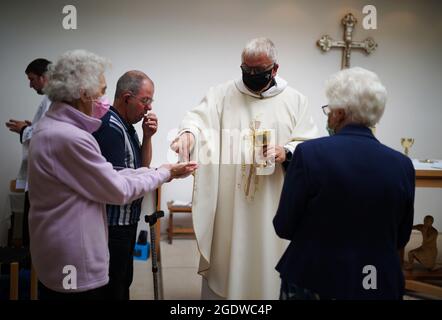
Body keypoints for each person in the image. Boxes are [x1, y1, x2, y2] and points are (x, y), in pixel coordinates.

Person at [28, 50, 197, 300]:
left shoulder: (55, 128)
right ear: (83, 93)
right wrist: (164, 172)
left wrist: (159, 169)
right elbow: (117, 188)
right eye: (101, 91)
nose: (103, 100)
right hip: (74, 257)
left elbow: (116, 173)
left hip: (64, 252)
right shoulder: (70, 136)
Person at [170, 37, 318, 299]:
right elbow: (197, 119)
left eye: (258, 71)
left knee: (268, 268)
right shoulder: (222, 94)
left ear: (274, 69)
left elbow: (309, 144)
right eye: (245, 70)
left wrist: (286, 152)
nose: (251, 75)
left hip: (273, 201)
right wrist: (188, 135)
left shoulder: (296, 101)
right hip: (232, 205)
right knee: (230, 258)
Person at [273, 67, 415, 300]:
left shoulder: (309, 154)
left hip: (315, 278)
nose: (328, 116)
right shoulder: (402, 164)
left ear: (339, 113)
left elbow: (284, 226)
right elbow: (401, 237)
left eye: (329, 109)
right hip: (377, 280)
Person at [93, 70, 159, 300]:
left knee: (123, 282)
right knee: (114, 287)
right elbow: (118, 186)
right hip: (113, 227)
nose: (148, 108)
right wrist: (164, 174)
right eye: (145, 100)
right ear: (127, 97)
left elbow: (142, 166)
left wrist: (148, 136)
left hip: (126, 222)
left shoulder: (127, 126)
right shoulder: (110, 127)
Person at [5, 58, 52, 247]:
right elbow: (44, 130)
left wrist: (24, 130)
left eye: (32, 79)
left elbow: (48, 136)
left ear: (44, 77)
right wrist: (30, 127)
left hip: (43, 181)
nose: (30, 85)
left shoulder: (53, 100)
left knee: (35, 236)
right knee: (31, 234)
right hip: (38, 179)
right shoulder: (48, 100)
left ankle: (31, 274)